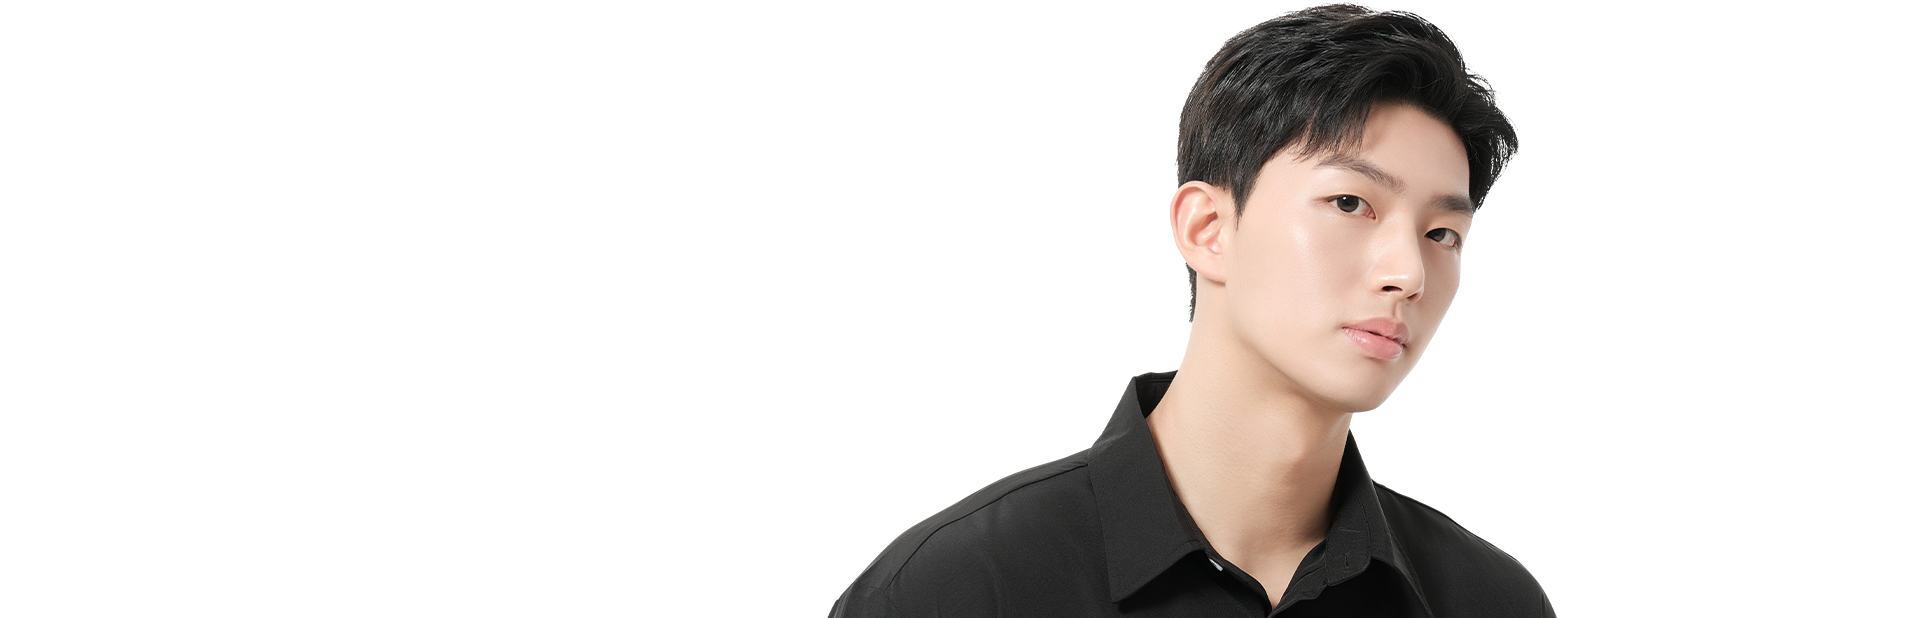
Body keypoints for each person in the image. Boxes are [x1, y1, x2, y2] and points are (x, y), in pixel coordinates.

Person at [833, 6, 1549, 616]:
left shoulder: (1488, 600)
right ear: (1208, 229)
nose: (1408, 274)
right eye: (1350, 202)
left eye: (1441, 234)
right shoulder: (957, 587)